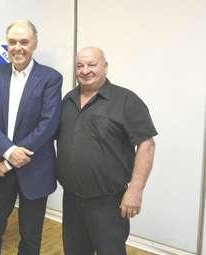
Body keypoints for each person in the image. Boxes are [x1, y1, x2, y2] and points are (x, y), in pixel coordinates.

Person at [57, 47, 157, 255]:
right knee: (75, 251)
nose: (85, 70)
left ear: (105, 67)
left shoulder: (126, 100)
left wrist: (135, 190)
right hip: (72, 199)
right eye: (80, 65)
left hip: (109, 202)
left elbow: (146, 144)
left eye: (92, 64)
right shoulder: (67, 100)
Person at [0, 20, 62, 254]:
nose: (18, 47)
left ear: (34, 44)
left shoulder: (51, 78)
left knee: (31, 236)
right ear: (7, 45)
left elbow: (48, 124)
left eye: (24, 42)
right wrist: (8, 152)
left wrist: (11, 158)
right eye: (12, 42)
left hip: (34, 169)